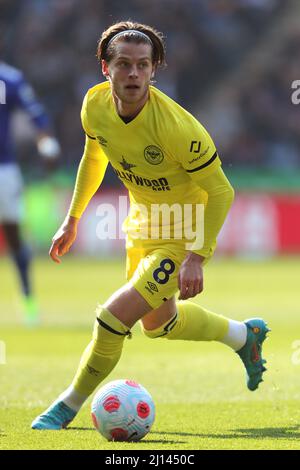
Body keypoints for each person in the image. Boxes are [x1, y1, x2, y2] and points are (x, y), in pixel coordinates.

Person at [31, 21, 269, 430]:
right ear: (105, 68)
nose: (134, 74)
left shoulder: (177, 127)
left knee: (111, 318)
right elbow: (94, 158)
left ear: (154, 69)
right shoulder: (94, 106)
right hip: (142, 224)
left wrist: (196, 256)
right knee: (159, 326)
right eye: (123, 64)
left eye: (143, 65)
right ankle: (243, 336)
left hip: (183, 231)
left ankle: (66, 406)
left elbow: (222, 191)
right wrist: (72, 219)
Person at [0, 58, 60, 325]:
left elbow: (36, 115)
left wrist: (46, 143)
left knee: (13, 236)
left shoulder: (8, 79)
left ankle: (28, 300)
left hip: (3, 169)